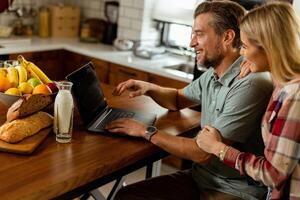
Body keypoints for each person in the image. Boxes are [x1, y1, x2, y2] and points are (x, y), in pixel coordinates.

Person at [107, 1, 273, 199]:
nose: (192, 43)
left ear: (227, 37)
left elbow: (202, 153)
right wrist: (149, 88)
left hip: (236, 190)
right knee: (127, 196)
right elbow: (177, 99)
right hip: (202, 177)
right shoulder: (214, 74)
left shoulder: (250, 84)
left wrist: (145, 131)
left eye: (199, 34)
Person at [196, 2, 300, 200]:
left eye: (244, 46)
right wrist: (259, 64)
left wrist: (219, 148)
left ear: (269, 47)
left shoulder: (295, 96)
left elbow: (273, 174)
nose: (241, 54)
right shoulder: (283, 84)